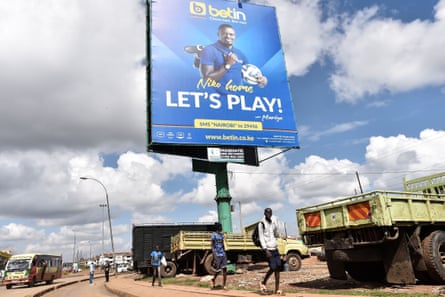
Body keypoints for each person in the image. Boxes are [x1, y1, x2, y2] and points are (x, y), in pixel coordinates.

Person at [199, 23, 268, 93]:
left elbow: (248, 73)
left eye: (231, 34)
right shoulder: (209, 50)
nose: (228, 36)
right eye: (224, 34)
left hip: (236, 97)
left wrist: (261, 80)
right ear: (218, 34)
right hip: (216, 95)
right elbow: (207, 79)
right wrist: (228, 65)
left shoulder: (239, 53)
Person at [258, 208, 283, 295]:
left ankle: (277, 289)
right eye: (267, 213)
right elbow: (261, 237)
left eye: (270, 213)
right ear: (264, 213)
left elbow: (276, 232)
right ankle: (263, 282)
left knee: (278, 267)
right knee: (273, 267)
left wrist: (278, 235)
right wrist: (265, 250)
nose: (269, 214)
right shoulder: (261, 223)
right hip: (268, 249)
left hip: (275, 247)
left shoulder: (274, 219)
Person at [210, 222, 227, 290]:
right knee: (218, 270)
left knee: (225, 269)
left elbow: (223, 244)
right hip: (217, 254)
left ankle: (224, 285)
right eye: (220, 227)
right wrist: (214, 255)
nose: (221, 228)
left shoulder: (222, 235)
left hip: (223, 253)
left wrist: (225, 251)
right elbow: (212, 245)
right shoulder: (213, 235)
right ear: (217, 228)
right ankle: (213, 279)